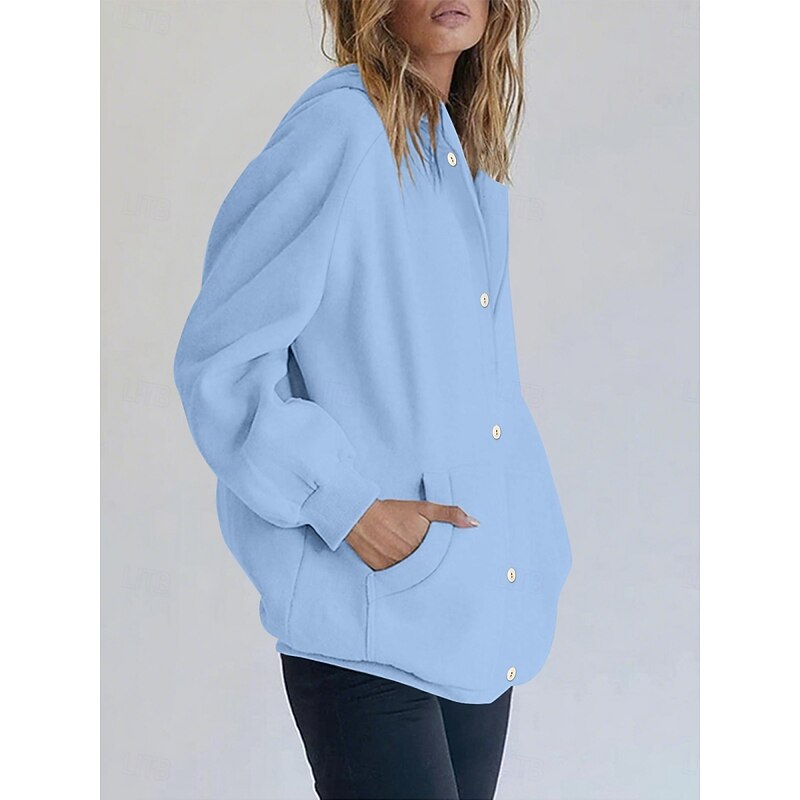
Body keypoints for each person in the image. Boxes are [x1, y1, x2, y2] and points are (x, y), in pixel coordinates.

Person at [173, 0, 572, 797]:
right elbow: (221, 360)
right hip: (367, 616)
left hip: (472, 609)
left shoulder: (463, 148)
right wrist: (346, 505)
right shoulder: (343, 131)